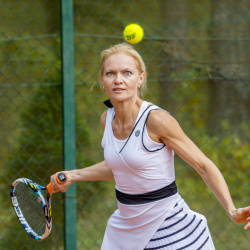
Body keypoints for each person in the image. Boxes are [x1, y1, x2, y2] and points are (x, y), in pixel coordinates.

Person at [50, 43, 250, 250]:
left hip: (170, 226)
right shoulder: (106, 120)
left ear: (140, 78)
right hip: (125, 229)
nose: (118, 80)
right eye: (111, 73)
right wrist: (73, 175)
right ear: (102, 81)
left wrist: (232, 209)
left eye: (127, 73)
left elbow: (203, 166)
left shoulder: (156, 120)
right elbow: (122, 165)